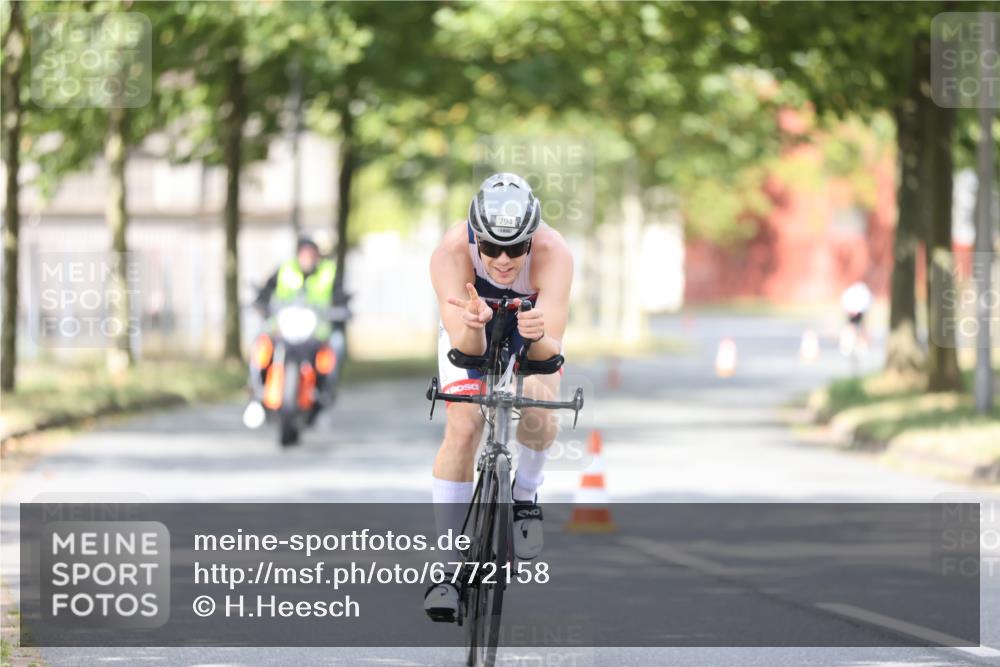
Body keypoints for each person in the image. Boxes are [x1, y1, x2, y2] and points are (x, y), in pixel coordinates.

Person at [423, 173, 574, 621]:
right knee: (464, 425)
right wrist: (473, 324)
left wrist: (539, 333)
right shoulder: (451, 254)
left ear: (532, 240)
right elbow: (464, 352)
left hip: (531, 332)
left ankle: (525, 494)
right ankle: (448, 571)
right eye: (490, 248)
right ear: (475, 238)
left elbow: (550, 352)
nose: (504, 260)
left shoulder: (554, 254)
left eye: (516, 248)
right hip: (470, 330)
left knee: (539, 411)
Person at [247, 237, 345, 418]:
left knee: (337, 345)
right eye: (304, 255)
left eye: (311, 255)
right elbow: (267, 289)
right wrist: (260, 303)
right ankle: (255, 387)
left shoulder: (327, 272)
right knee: (260, 343)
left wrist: (341, 309)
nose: (308, 259)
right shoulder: (285, 269)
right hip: (284, 326)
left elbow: (339, 295)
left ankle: (326, 391)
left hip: (316, 330)